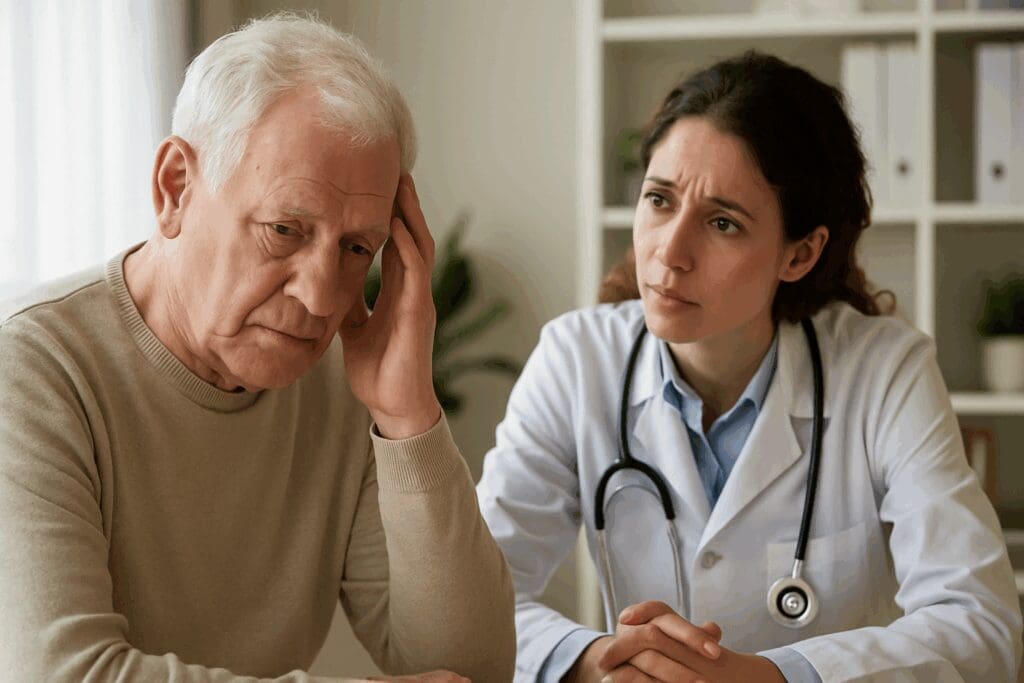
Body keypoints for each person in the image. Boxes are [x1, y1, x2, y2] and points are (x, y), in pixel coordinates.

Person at [476, 51, 1022, 682]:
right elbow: (470, 606)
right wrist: (592, 660)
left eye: (723, 222)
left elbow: (979, 624)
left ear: (801, 253)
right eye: (659, 200)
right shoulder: (577, 361)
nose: (670, 253)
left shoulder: (884, 371)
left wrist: (771, 676)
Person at [0, 14, 514, 683]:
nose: (320, 294)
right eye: (284, 229)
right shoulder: (33, 370)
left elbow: (468, 668)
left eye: (356, 247)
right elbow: (56, 675)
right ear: (175, 188)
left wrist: (409, 413)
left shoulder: (341, 383)